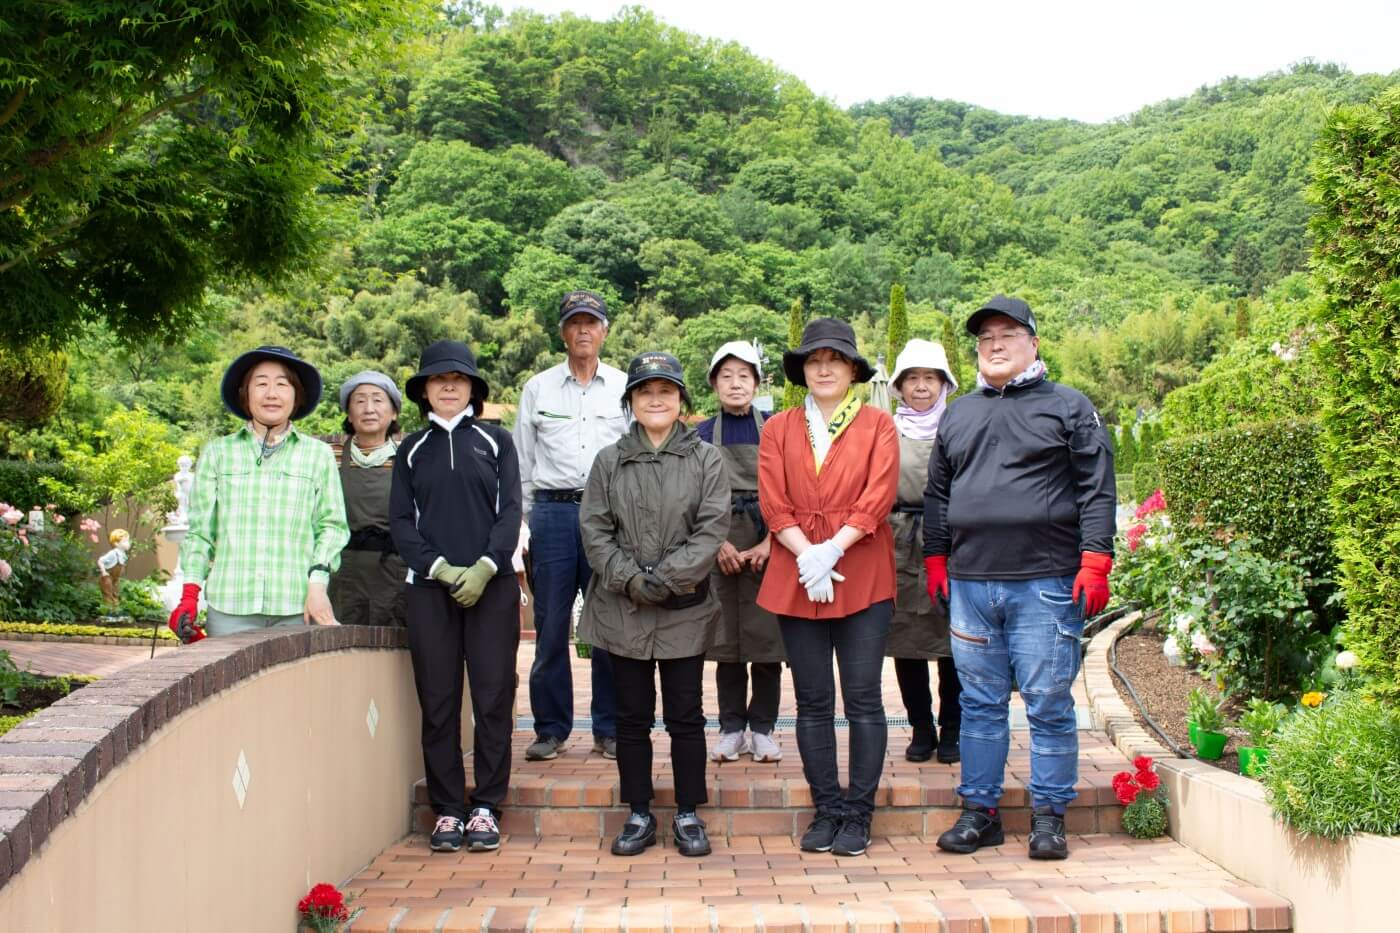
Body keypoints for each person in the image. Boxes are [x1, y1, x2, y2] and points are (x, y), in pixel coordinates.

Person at [923, 296, 1116, 861]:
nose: (996, 345)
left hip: (1046, 582)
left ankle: (1049, 816)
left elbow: (1097, 489)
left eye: (1008, 334)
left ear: (1033, 342)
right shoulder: (957, 412)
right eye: (985, 339)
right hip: (972, 583)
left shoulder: (1069, 406)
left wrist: (1095, 560)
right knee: (979, 702)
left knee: (1048, 701)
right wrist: (937, 559)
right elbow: (938, 494)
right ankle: (979, 812)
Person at [578, 352, 730, 858]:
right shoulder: (609, 461)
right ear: (632, 402)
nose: (656, 398)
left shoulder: (706, 458)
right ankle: (639, 812)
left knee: (686, 713)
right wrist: (628, 579)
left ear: (681, 399)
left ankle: (688, 812)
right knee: (631, 717)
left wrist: (663, 578)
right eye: (645, 391)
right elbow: (595, 530)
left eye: (666, 390)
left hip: (683, 605)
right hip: (624, 608)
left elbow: (712, 529)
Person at [757, 318, 899, 858]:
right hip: (797, 568)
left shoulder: (876, 425)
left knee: (863, 698)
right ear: (803, 371)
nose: (823, 368)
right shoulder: (779, 428)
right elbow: (773, 501)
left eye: (834, 360)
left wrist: (832, 550)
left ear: (852, 370)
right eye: (813, 360)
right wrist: (807, 554)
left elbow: (878, 496)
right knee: (813, 700)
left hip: (859, 566)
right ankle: (827, 809)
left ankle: (859, 812)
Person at [389, 341, 522, 854]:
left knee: (492, 697)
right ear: (424, 390)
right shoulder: (411, 449)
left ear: (472, 388)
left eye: (459, 378)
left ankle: (487, 804)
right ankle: (447, 810)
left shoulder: (496, 440)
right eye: (438, 379)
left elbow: (510, 508)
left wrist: (486, 568)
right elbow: (401, 521)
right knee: (439, 701)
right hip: (429, 591)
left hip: (493, 588)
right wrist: (441, 569)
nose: (448, 385)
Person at [169, 346, 348, 642]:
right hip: (229, 606)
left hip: (297, 605)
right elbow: (201, 533)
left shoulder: (318, 455)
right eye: (261, 383)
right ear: (245, 393)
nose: (272, 393)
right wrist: (189, 595)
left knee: (293, 689)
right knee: (229, 688)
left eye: (282, 384)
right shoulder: (218, 453)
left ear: (296, 394)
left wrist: (317, 583)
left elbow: (332, 527)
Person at [514, 290, 625, 762]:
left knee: (609, 624)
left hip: (607, 514)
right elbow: (522, 460)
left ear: (604, 330)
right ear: (562, 332)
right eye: (574, 323)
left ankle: (610, 727)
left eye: (591, 322)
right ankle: (551, 728)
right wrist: (521, 525)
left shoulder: (624, 385)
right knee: (551, 623)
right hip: (552, 514)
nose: (583, 330)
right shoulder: (538, 388)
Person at [697, 341, 784, 764]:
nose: (735, 384)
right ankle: (731, 728)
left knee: (768, 645)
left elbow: (792, 494)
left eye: (744, 376)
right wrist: (716, 543)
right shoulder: (698, 435)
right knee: (725, 644)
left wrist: (771, 542)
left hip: (770, 542)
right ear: (714, 383)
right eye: (726, 376)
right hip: (718, 542)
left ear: (756, 382)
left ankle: (764, 729)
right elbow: (689, 499)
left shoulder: (777, 429)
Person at [886, 339, 963, 764]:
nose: (921, 387)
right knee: (906, 640)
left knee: (954, 642)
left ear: (944, 384)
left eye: (929, 378)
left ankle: (952, 727)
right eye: (912, 378)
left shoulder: (958, 425)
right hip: (897, 539)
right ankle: (920, 727)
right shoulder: (885, 430)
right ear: (899, 385)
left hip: (950, 540)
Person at [328, 371, 407, 627]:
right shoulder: (330, 456)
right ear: (349, 414)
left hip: (395, 571)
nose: (369, 409)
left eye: (377, 400)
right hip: (343, 572)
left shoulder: (410, 458)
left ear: (394, 412)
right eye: (360, 401)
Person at [97, 529, 131, 608]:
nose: (128, 543)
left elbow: (120, 566)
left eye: (128, 541)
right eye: (125, 541)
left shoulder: (123, 554)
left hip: (115, 579)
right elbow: (100, 561)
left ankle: (116, 610)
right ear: (116, 543)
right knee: (108, 594)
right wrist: (104, 572)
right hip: (107, 578)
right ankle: (108, 610)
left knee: (115, 593)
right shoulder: (113, 553)